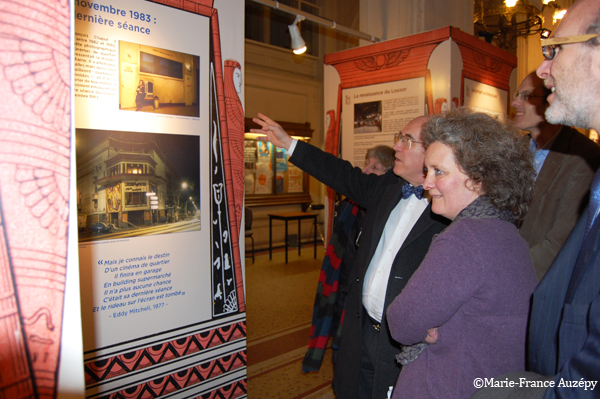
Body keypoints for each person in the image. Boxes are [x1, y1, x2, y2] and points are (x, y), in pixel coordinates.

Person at [251, 113, 449, 399]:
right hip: (361, 329)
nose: (397, 147)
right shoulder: (388, 187)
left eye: (407, 140)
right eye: (398, 138)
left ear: (432, 151)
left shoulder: (449, 211)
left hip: (403, 343)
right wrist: (290, 144)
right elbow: (341, 174)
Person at [471, 0, 600, 397]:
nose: (545, 72)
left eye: (555, 50)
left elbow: (558, 245)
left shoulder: (580, 157)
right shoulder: (516, 150)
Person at [386, 108, 538, 399]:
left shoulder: (465, 238)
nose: (427, 183)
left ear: (479, 178)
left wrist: (427, 324)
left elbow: (402, 322)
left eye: (439, 172)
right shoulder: (507, 232)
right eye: (427, 170)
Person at [303, 145, 396, 373]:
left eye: (376, 167)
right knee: (340, 356)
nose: (366, 171)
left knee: (359, 363)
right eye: (367, 164)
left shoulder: (390, 213)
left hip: (365, 302)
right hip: (340, 293)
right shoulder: (348, 207)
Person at [512, 71, 600, 280]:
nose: (515, 102)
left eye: (526, 96)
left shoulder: (584, 156)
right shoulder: (513, 151)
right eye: (517, 94)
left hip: (536, 282)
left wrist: (506, 273)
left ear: (551, 101)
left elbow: (561, 242)